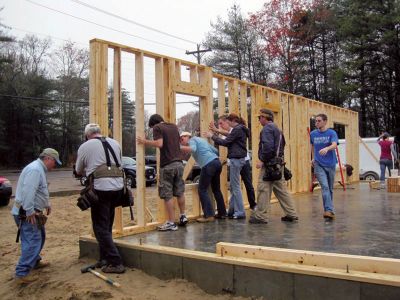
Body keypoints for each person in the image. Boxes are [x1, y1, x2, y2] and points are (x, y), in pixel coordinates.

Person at [75, 123, 125, 274]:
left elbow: (78, 170)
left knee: (100, 228)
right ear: (100, 132)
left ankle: (116, 262)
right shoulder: (115, 143)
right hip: (118, 189)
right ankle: (105, 258)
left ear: (87, 135)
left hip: (101, 189)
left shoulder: (85, 146)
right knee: (107, 224)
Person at [12, 148, 61, 283]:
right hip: (28, 213)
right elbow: (28, 191)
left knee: (39, 236)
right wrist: (29, 211)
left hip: (31, 211)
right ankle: (22, 273)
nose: (55, 165)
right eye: (54, 162)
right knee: (33, 240)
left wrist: (47, 204)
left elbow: (40, 190)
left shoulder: (38, 169)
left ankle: (34, 261)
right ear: (48, 159)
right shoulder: (35, 170)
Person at [137, 114, 187, 231]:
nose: (152, 129)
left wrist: (144, 141)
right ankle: (183, 216)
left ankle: (171, 222)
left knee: (167, 194)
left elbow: (159, 144)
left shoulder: (157, 127)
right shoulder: (174, 127)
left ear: (154, 123)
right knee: (180, 192)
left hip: (168, 165)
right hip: (179, 164)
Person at [249, 109, 298, 224]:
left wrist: (262, 160)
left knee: (263, 189)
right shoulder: (278, 129)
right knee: (282, 191)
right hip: (278, 165)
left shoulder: (267, 129)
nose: (259, 120)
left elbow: (268, 147)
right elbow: (282, 146)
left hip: (269, 166)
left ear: (265, 118)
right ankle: (291, 214)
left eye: (259, 117)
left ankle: (260, 216)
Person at [204, 113, 248, 219]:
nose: (225, 124)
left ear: (232, 120)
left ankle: (240, 212)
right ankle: (232, 210)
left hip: (236, 160)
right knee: (233, 186)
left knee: (235, 187)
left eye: (226, 122)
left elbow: (225, 142)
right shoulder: (240, 129)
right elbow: (229, 135)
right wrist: (216, 130)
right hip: (239, 159)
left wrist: (212, 136)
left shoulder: (237, 129)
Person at [209, 115, 256, 210]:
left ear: (227, 121)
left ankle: (250, 206)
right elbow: (227, 133)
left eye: (221, 123)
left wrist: (213, 135)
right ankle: (234, 209)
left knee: (243, 184)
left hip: (241, 160)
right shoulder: (236, 130)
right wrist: (216, 130)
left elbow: (226, 139)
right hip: (242, 159)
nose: (220, 126)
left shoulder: (235, 130)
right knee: (237, 186)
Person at [180, 131, 226, 222]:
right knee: (216, 190)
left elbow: (192, 149)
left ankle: (209, 215)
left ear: (187, 136)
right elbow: (215, 151)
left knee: (202, 189)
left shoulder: (192, 140)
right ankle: (222, 213)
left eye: (181, 139)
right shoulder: (200, 140)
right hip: (216, 163)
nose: (181, 142)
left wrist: (179, 147)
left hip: (208, 164)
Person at [310, 114, 338, 219]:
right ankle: (328, 210)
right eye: (316, 121)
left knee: (329, 188)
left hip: (330, 164)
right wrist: (313, 157)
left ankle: (329, 210)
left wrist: (327, 148)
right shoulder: (313, 134)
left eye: (319, 121)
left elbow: (334, 144)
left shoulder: (331, 133)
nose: (316, 123)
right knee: (325, 187)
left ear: (325, 121)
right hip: (318, 164)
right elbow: (312, 146)